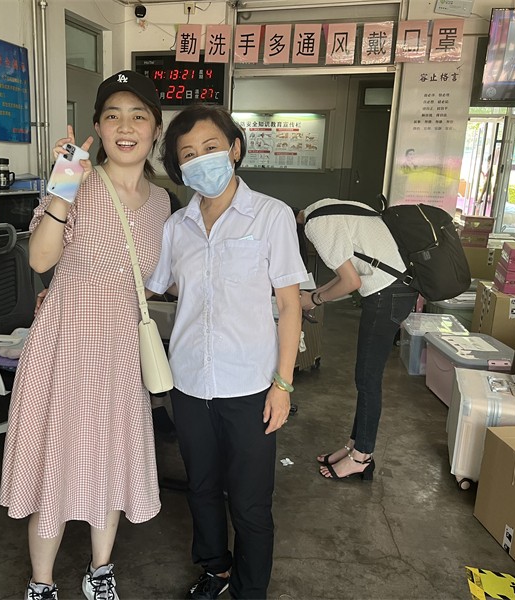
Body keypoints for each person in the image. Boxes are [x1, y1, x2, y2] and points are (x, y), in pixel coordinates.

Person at [0, 70, 169, 600]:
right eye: (113, 115)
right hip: (65, 346)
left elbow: (155, 279)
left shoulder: (163, 202)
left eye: (138, 116)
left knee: (111, 462)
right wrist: (65, 181)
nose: (126, 126)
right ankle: (42, 583)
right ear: (97, 126)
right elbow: (40, 259)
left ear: (156, 129)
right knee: (54, 462)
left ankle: (100, 571)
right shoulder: (75, 182)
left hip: (120, 351)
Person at [147, 104, 306, 599]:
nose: (201, 160)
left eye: (211, 147)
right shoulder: (177, 227)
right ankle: (215, 569)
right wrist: (73, 289)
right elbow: (154, 287)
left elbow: (290, 304)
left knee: (251, 502)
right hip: (190, 381)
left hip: (251, 385)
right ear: (178, 167)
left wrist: (283, 384)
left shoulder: (271, 216)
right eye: (188, 154)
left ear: (235, 149)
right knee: (201, 488)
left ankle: (249, 590)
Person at [300, 198, 418, 481]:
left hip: (386, 294)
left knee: (367, 378)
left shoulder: (316, 226)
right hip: (395, 288)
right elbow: (351, 273)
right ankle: (353, 446)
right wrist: (315, 295)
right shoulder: (326, 208)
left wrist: (314, 299)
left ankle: (362, 458)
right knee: (365, 377)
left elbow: (350, 282)